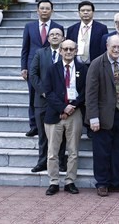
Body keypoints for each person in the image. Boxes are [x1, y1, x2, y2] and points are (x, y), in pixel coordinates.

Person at [86, 34, 119, 196]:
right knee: (102, 151)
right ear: (107, 46)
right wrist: (93, 117)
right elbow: (91, 93)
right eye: (113, 47)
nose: (116, 50)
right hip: (103, 116)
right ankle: (102, 183)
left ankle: (116, 182)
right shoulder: (97, 64)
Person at [43, 40, 87, 195]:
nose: (68, 52)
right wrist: (62, 108)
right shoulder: (51, 69)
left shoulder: (83, 69)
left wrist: (71, 107)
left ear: (76, 51)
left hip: (74, 113)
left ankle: (70, 181)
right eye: (65, 49)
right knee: (53, 152)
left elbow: (84, 92)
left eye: (71, 49)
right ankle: (53, 182)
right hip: (54, 115)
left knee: (73, 150)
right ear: (60, 51)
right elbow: (48, 92)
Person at [21, 0, 64, 137]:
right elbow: (25, 48)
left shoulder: (58, 27)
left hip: (52, 66)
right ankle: (34, 125)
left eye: (47, 8)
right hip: (33, 67)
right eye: (42, 8)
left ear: (52, 10)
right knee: (33, 96)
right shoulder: (29, 26)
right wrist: (23, 67)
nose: (44, 10)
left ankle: (52, 120)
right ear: (37, 10)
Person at [29, 27, 66, 173]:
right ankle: (42, 161)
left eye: (58, 34)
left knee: (61, 133)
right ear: (48, 38)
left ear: (63, 38)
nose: (55, 36)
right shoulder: (40, 53)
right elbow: (33, 74)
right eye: (52, 34)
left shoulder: (67, 53)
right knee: (43, 134)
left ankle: (61, 162)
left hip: (61, 101)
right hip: (42, 101)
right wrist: (44, 92)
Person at [66, 1, 109, 66]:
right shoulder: (71, 29)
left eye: (88, 10)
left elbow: (104, 48)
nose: (85, 12)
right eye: (82, 10)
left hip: (95, 65)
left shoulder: (102, 28)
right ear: (79, 13)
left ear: (93, 12)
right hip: (75, 65)